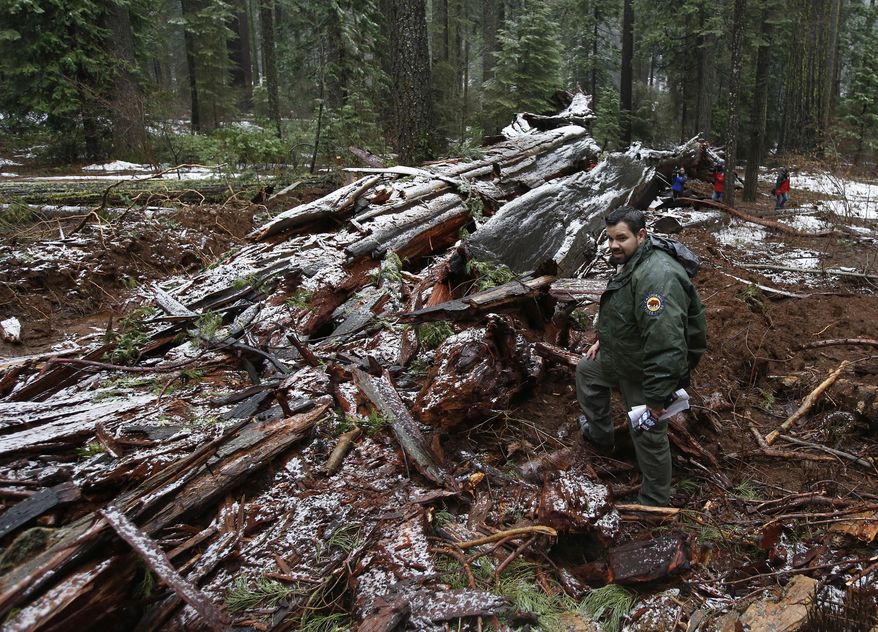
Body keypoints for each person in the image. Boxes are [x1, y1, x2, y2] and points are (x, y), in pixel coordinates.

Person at [575, 206, 707, 506]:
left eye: (620, 238)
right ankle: (600, 436)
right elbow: (624, 311)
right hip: (624, 354)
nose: (613, 245)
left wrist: (657, 396)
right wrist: (602, 340)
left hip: (646, 367)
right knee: (587, 370)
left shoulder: (657, 277)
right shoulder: (632, 260)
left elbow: (666, 344)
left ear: (642, 235)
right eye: (609, 239)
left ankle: (655, 501)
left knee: (647, 431)